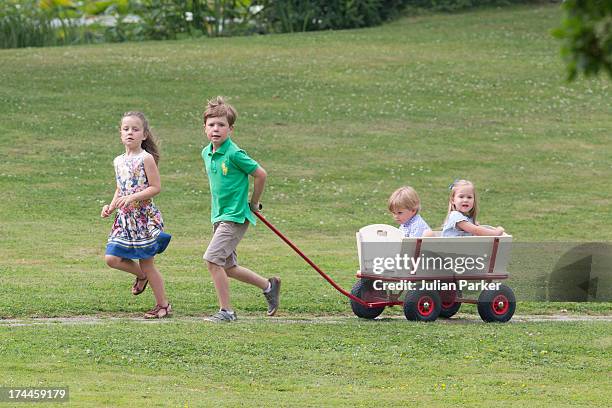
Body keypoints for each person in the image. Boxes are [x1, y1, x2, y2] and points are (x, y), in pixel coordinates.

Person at [201, 96, 280, 323]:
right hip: (219, 215)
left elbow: (260, 174)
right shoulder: (206, 153)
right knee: (228, 266)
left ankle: (226, 312)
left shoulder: (234, 153)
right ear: (205, 128)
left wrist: (254, 203)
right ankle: (268, 286)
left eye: (221, 125)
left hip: (235, 216)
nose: (216, 129)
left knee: (213, 260)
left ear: (230, 128)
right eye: (211, 125)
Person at [101, 111, 172, 319]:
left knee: (147, 263)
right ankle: (141, 277)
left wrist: (133, 198)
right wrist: (111, 206)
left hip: (143, 218)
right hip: (124, 219)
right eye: (126, 129)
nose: (130, 132)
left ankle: (163, 305)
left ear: (144, 135)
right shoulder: (118, 161)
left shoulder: (146, 158)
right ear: (120, 134)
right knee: (112, 258)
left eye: (135, 129)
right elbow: (119, 187)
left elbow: (155, 187)